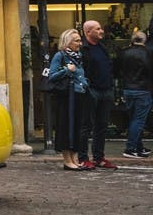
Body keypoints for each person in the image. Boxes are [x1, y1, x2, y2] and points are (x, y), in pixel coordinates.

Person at [47, 29, 88, 170]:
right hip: (66, 97)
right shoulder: (60, 56)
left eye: (79, 40)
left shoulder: (79, 56)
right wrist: (66, 70)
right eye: (76, 41)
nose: (80, 43)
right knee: (66, 127)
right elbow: (51, 76)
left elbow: (81, 74)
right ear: (67, 42)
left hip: (79, 94)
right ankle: (67, 160)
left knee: (76, 126)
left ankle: (74, 158)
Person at [79, 20, 117, 170]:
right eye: (98, 29)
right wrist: (86, 87)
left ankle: (98, 157)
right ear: (88, 32)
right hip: (91, 90)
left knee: (102, 126)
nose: (102, 31)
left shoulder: (102, 47)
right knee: (86, 126)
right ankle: (83, 158)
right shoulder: (83, 49)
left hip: (105, 90)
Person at [118, 31, 152, 159]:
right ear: (144, 40)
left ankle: (138, 146)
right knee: (138, 120)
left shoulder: (124, 52)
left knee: (134, 119)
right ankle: (131, 148)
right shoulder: (147, 53)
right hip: (143, 89)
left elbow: (117, 70)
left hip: (128, 89)